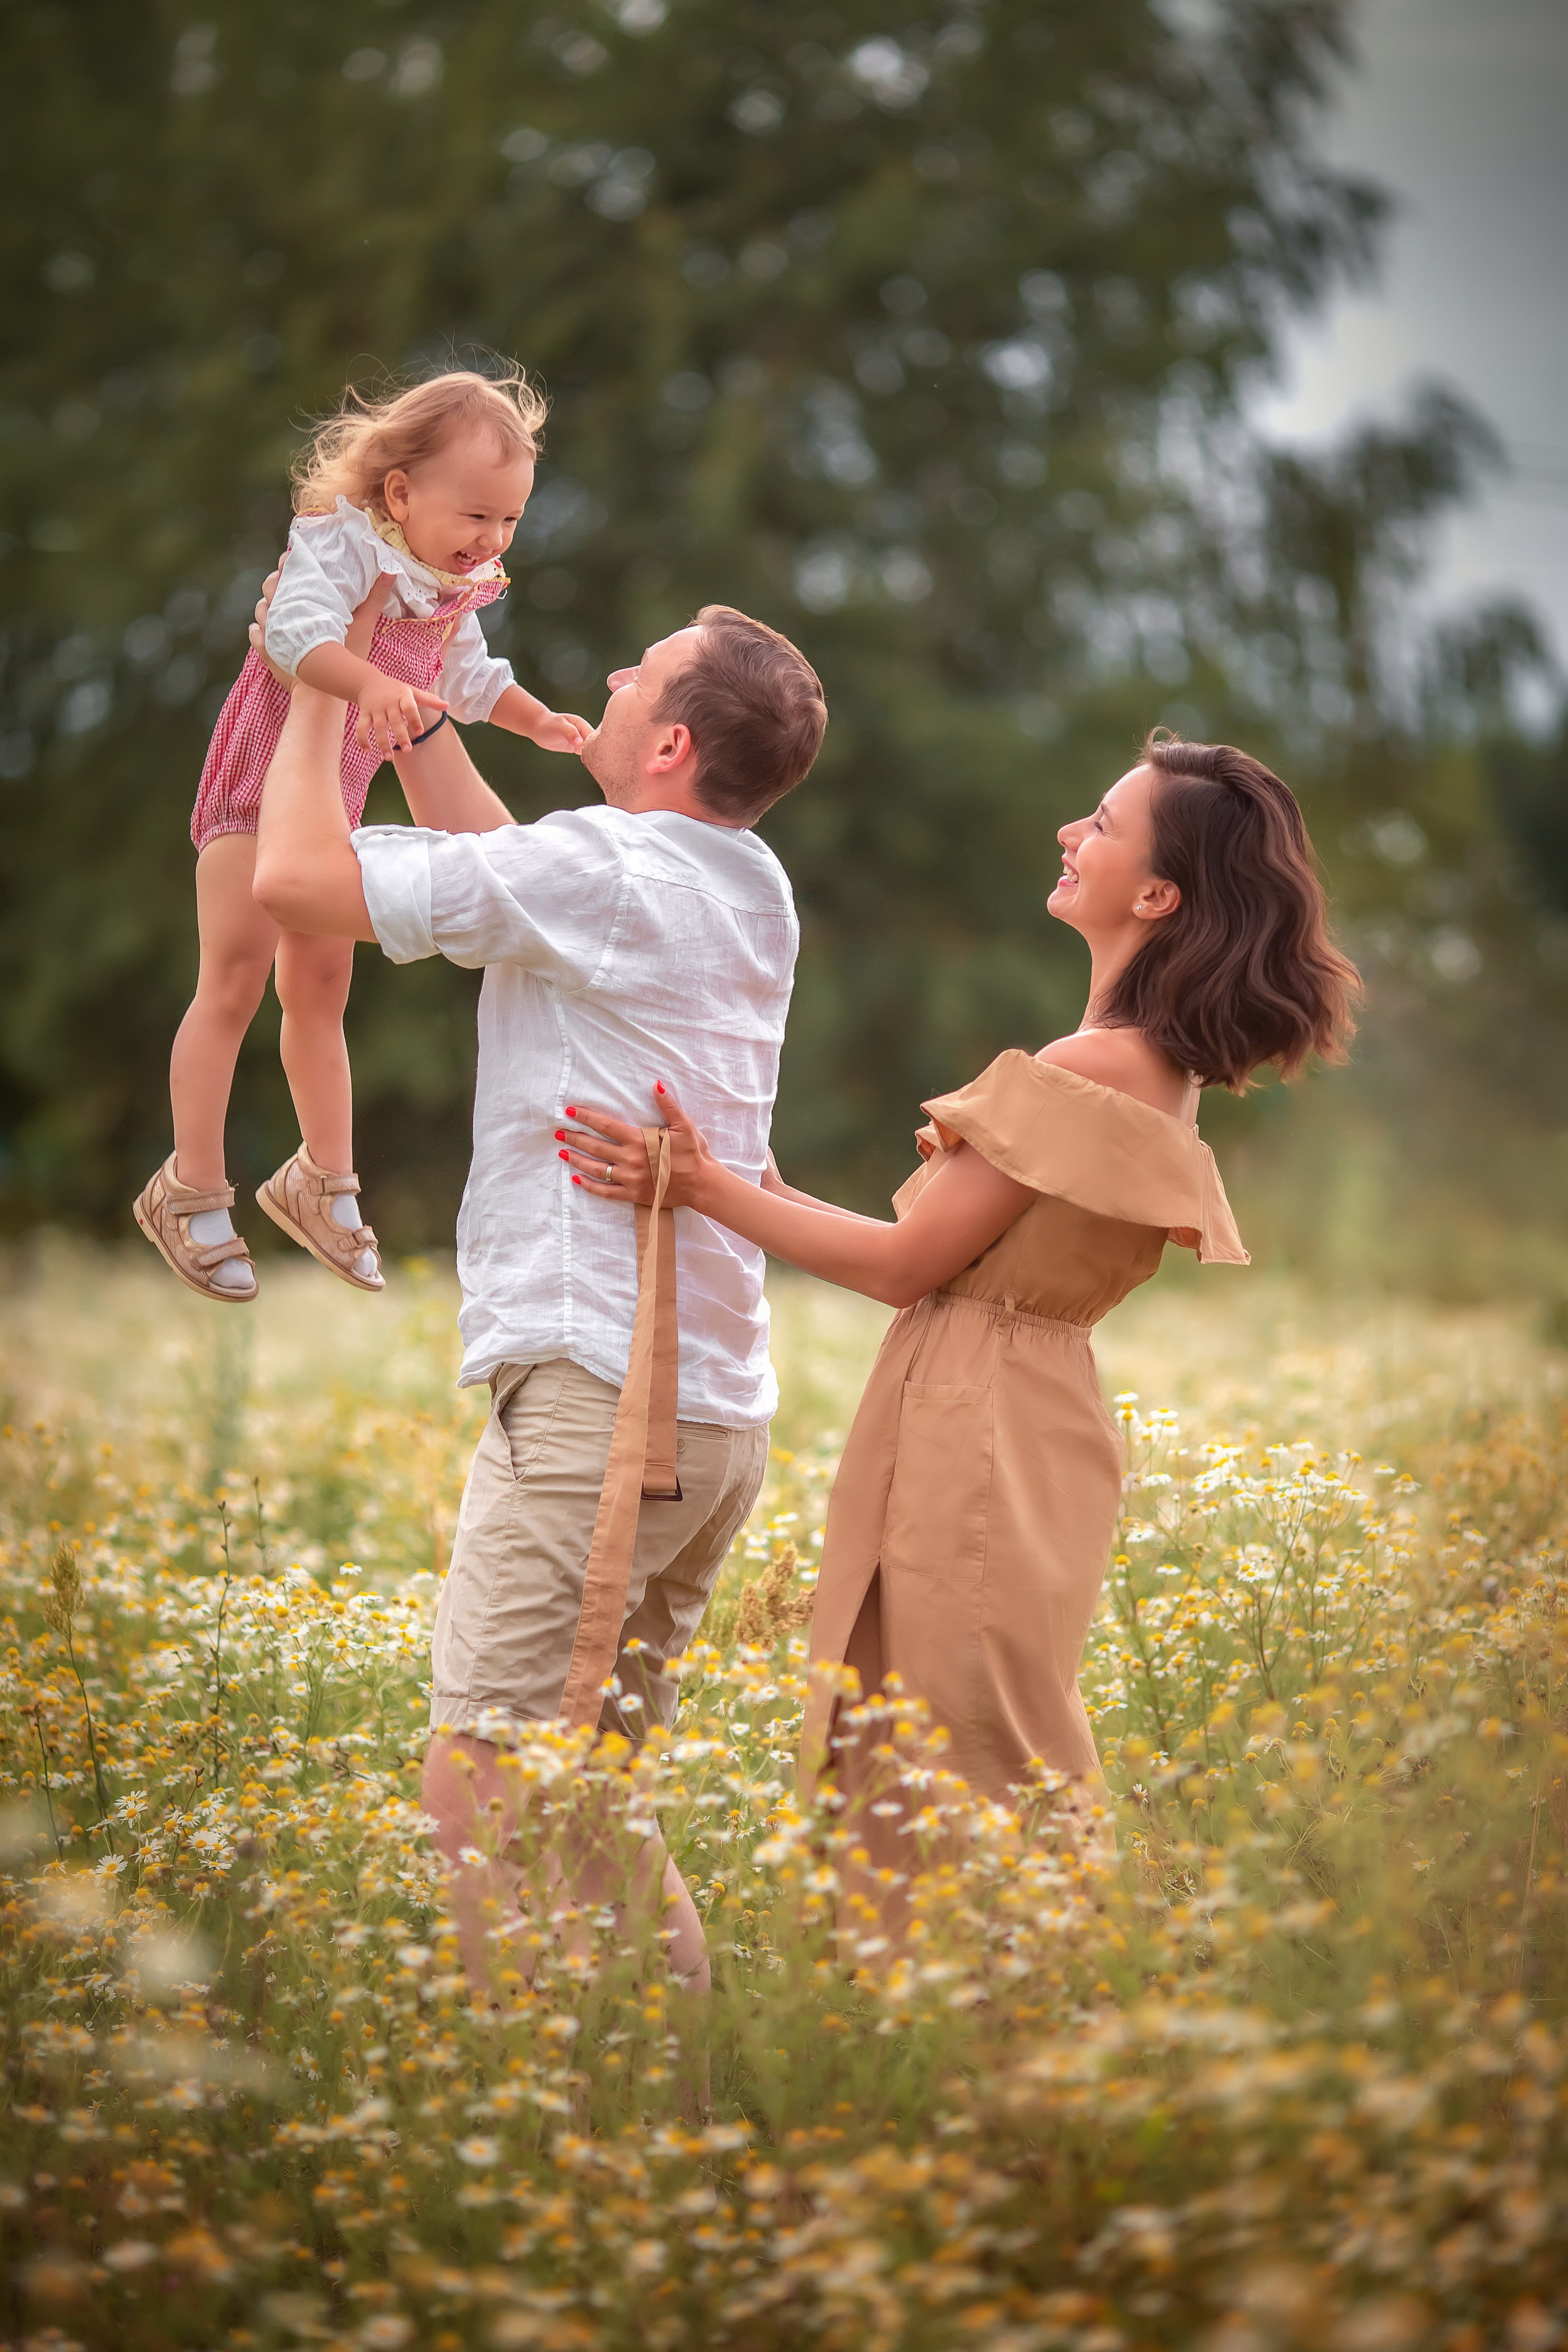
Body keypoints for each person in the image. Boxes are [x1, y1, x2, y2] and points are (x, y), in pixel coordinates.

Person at [559, 735, 1361, 1937]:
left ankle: (1027, 2021)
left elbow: (900, 1267)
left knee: (964, 1735)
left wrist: (701, 1189)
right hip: (1003, 1407)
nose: (1065, 836)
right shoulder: (1146, 1069)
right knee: (949, 1725)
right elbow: (931, 1260)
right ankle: (975, 2016)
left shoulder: (1089, 1066)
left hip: (975, 1423)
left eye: (1098, 824)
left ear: (1153, 896)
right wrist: (734, 1172)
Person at [246, 588, 827, 2008]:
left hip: (598, 1396)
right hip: (702, 1414)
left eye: (643, 673)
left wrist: (313, 672)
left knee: (485, 1772)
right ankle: (669, 2128)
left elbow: (296, 886)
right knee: (592, 1799)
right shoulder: (737, 878)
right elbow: (516, 872)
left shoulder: (611, 872)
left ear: (672, 741)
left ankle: (536, 2129)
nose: (615, 674)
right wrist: (423, 714)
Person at [134, 368, 589, 1306]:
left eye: (509, 522)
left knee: (322, 984)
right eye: (476, 517)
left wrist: (532, 719)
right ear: (400, 493)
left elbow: (465, 675)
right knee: (233, 978)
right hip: (259, 785)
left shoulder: (451, 584)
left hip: (330, 804)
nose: (492, 541)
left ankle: (322, 1180)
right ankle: (190, 1183)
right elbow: (293, 635)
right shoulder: (340, 547)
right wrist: (367, 680)